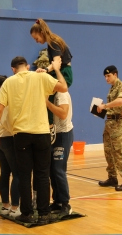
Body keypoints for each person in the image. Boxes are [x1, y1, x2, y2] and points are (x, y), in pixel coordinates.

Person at [0, 56, 68, 225]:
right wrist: (56, 69)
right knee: (42, 175)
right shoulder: (40, 76)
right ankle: (43, 214)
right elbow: (63, 87)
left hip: (21, 135)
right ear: (27, 66)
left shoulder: (9, 82)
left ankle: (26, 213)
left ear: (13, 69)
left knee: (24, 176)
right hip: (42, 133)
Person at [30, 18, 73, 143]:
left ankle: (50, 126)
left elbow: (57, 63)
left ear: (41, 33)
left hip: (64, 73)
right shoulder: (52, 42)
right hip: (59, 70)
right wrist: (45, 70)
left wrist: (48, 70)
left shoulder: (53, 42)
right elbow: (54, 64)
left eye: (36, 38)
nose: (36, 41)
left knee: (46, 93)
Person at [0, 75, 21, 217]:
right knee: (17, 173)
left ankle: (5, 205)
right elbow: (8, 125)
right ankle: (14, 207)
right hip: (7, 139)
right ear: (0, 87)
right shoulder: (2, 104)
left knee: (5, 173)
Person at [97, 65, 122, 191]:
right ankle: (112, 177)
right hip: (110, 122)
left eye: (108, 76)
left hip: (118, 122)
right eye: (105, 77)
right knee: (108, 151)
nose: (106, 78)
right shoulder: (112, 88)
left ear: (115, 75)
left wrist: (105, 106)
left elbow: (120, 102)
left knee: (118, 151)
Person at [46, 90, 74, 218]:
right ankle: (57, 200)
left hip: (63, 134)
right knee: (52, 169)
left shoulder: (61, 94)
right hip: (54, 134)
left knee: (58, 169)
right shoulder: (52, 94)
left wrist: (46, 103)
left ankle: (65, 203)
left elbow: (63, 114)